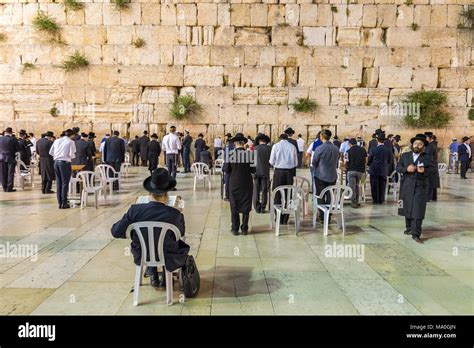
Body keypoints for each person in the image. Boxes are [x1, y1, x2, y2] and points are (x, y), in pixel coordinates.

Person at [111, 168, 190, 288]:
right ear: (167, 194)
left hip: (142, 254)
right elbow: (180, 233)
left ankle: (152, 273)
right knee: (166, 241)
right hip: (168, 256)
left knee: (148, 241)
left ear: (149, 193)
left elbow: (116, 231)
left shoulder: (134, 211)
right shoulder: (174, 214)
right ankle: (165, 275)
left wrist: (133, 232)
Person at [397, 134, 436, 244]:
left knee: (417, 209)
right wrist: (406, 169)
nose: (417, 146)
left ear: (423, 146)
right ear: (412, 145)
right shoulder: (405, 156)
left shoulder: (428, 157)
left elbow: (433, 170)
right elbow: (398, 167)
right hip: (407, 186)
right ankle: (409, 228)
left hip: (420, 186)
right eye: (415, 143)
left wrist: (424, 171)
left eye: (420, 144)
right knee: (407, 206)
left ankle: (416, 234)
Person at [223, 133, 255, 235]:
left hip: (234, 182)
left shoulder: (230, 154)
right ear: (243, 144)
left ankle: (235, 229)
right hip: (246, 182)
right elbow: (253, 170)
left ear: (235, 143)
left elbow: (226, 169)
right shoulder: (249, 154)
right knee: (246, 204)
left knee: (234, 204)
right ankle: (245, 228)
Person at [269, 133, 298, 224]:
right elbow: (296, 162)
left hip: (279, 172)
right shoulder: (292, 146)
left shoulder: (276, 146)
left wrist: (277, 165)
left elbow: (271, 161)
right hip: (289, 172)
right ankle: (285, 218)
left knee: (277, 192)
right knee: (288, 193)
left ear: (279, 138)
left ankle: (278, 217)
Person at [312, 129, 340, 222]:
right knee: (329, 195)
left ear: (321, 137)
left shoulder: (319, 148)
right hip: (332, 175)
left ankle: (322, 216)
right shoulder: (336, 148)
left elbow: (314, 162)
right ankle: (328, 215)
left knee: (320, 195)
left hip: (321, 175)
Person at [49, 129, 76, 209]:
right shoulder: (70, 142)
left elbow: (51, 152)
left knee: (59, 182)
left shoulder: (57, 140)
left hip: (56, 163)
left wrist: (58, 155)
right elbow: (72, 155)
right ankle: (64, 203)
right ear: (72, 135)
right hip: (64, 163)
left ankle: (60, 202)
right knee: (65, 183)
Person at [367, 132, 393, 204]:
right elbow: (389, 161)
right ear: (384, 140)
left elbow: (369, 159)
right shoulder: (388, 150)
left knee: (374, 186)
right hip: (383, 170)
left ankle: (375, 200)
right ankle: (381, 200)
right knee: (382, 185)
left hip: (374, 170)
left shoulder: (373, 149)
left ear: (377, 140)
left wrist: (369, 164)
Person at [346, 138, 367, 208]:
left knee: (352, 186)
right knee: (357, 185)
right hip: (361, 171)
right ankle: (357, 200)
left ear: (349, 144)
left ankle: (354, 202)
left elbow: (346, 161)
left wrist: (346, 168)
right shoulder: (363, 150)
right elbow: (365, 160)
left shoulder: (348, 151)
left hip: (351, 170)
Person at [253, 134, 271, 213]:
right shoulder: (269, 149)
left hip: (256, 171)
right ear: (265, 141)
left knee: (256, 189)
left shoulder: (254, 149)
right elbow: (271, 161)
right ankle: (263, 207)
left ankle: (257, 207)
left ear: (259, 141)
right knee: (264, 190)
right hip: (265, 171)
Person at [0, 127, 21, 192]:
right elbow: (18, 149)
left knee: (3, 173)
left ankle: (4, 187)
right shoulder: (13, 139)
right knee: (10, 173)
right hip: (10, 157)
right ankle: (9, 188)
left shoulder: (0, 139)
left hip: (1, 158)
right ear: (11, 133)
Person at [424, 132, 440, 202]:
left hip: (430, 165)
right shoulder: (434, 145)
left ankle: (427, 197)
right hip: (434, 165)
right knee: (433, 181)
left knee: (429, 182)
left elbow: (427, 157)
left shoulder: (429, 146)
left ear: (428, 138)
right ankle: (433, 197)